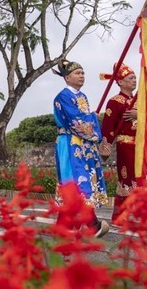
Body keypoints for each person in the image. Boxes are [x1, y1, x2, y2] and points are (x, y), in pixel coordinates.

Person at [99, 62, 147, 232]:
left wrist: (140, 114)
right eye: (130, 78)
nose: (134, 81)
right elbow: (108, 127)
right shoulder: (114, 102)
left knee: (127, 182)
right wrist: (105, 147)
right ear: (120, 82)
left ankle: (118, 216)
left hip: (140, 145)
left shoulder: (139, 101)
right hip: (126, 145)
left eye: (134, 78)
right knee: (139, 181)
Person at [53, 59, 109, 238]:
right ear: (67, 77)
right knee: (76, 180)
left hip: (83, 143)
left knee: (79, 181)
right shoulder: (63, 96)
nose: (82, 76)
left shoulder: (82, 96)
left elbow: (84, 118)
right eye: (78, 73)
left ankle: (66, 226)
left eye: (83, 73)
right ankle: (91, 224)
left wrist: (91, 117)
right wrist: (92, 119)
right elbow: (75, 120)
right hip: (70, 142)